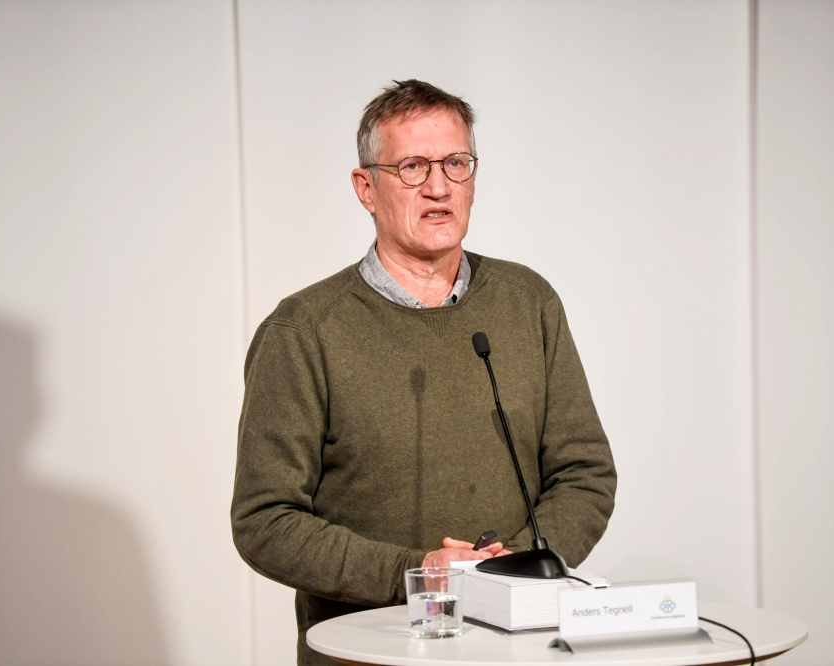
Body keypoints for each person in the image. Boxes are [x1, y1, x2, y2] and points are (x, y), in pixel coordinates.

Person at [231, 79, 617, 666]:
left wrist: (505, 573)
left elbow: (585, 473)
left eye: (456, 163)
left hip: (520, 650)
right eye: (412, 166)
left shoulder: (528, 303)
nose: (439, 187)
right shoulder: (305, 330)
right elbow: (265, 520)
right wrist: (417, 575)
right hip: (371, 653)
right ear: (366, 187)